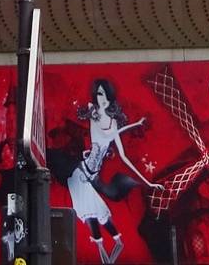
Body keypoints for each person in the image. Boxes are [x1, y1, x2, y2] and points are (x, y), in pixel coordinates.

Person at [67, 79, 157, 263]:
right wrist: (134, 125)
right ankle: (106, 256)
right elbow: (107, 135)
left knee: (99, 215)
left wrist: (148, 182)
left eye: (105, 93)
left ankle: (110, 255)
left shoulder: (114, 123)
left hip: (89, 177)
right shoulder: (95, 115)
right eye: (99, 94)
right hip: (81, 176)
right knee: (94, 216)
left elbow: (124, 157)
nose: (103, 98)